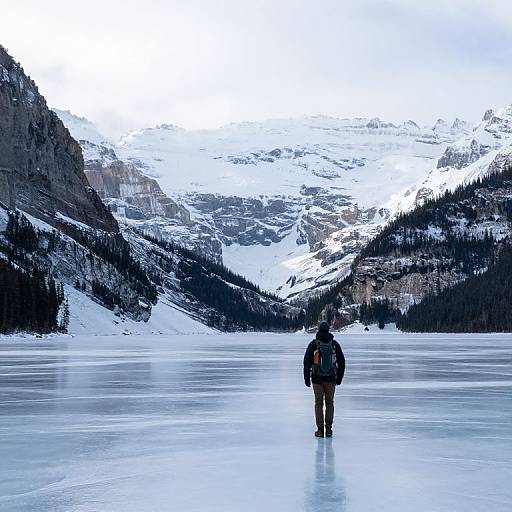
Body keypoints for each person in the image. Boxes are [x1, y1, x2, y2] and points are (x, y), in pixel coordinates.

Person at [303, 321, 345, 438]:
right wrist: (339, 378)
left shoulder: (313, 344)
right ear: (328, 330)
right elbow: (342, 362)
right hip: (331, 379)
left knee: (318, 404)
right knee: (330, 403)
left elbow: (306, 362)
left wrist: (307, 378)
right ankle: (329, 429)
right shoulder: (334, 344)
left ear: (318, 330)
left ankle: (320, 430)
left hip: (316, 379)